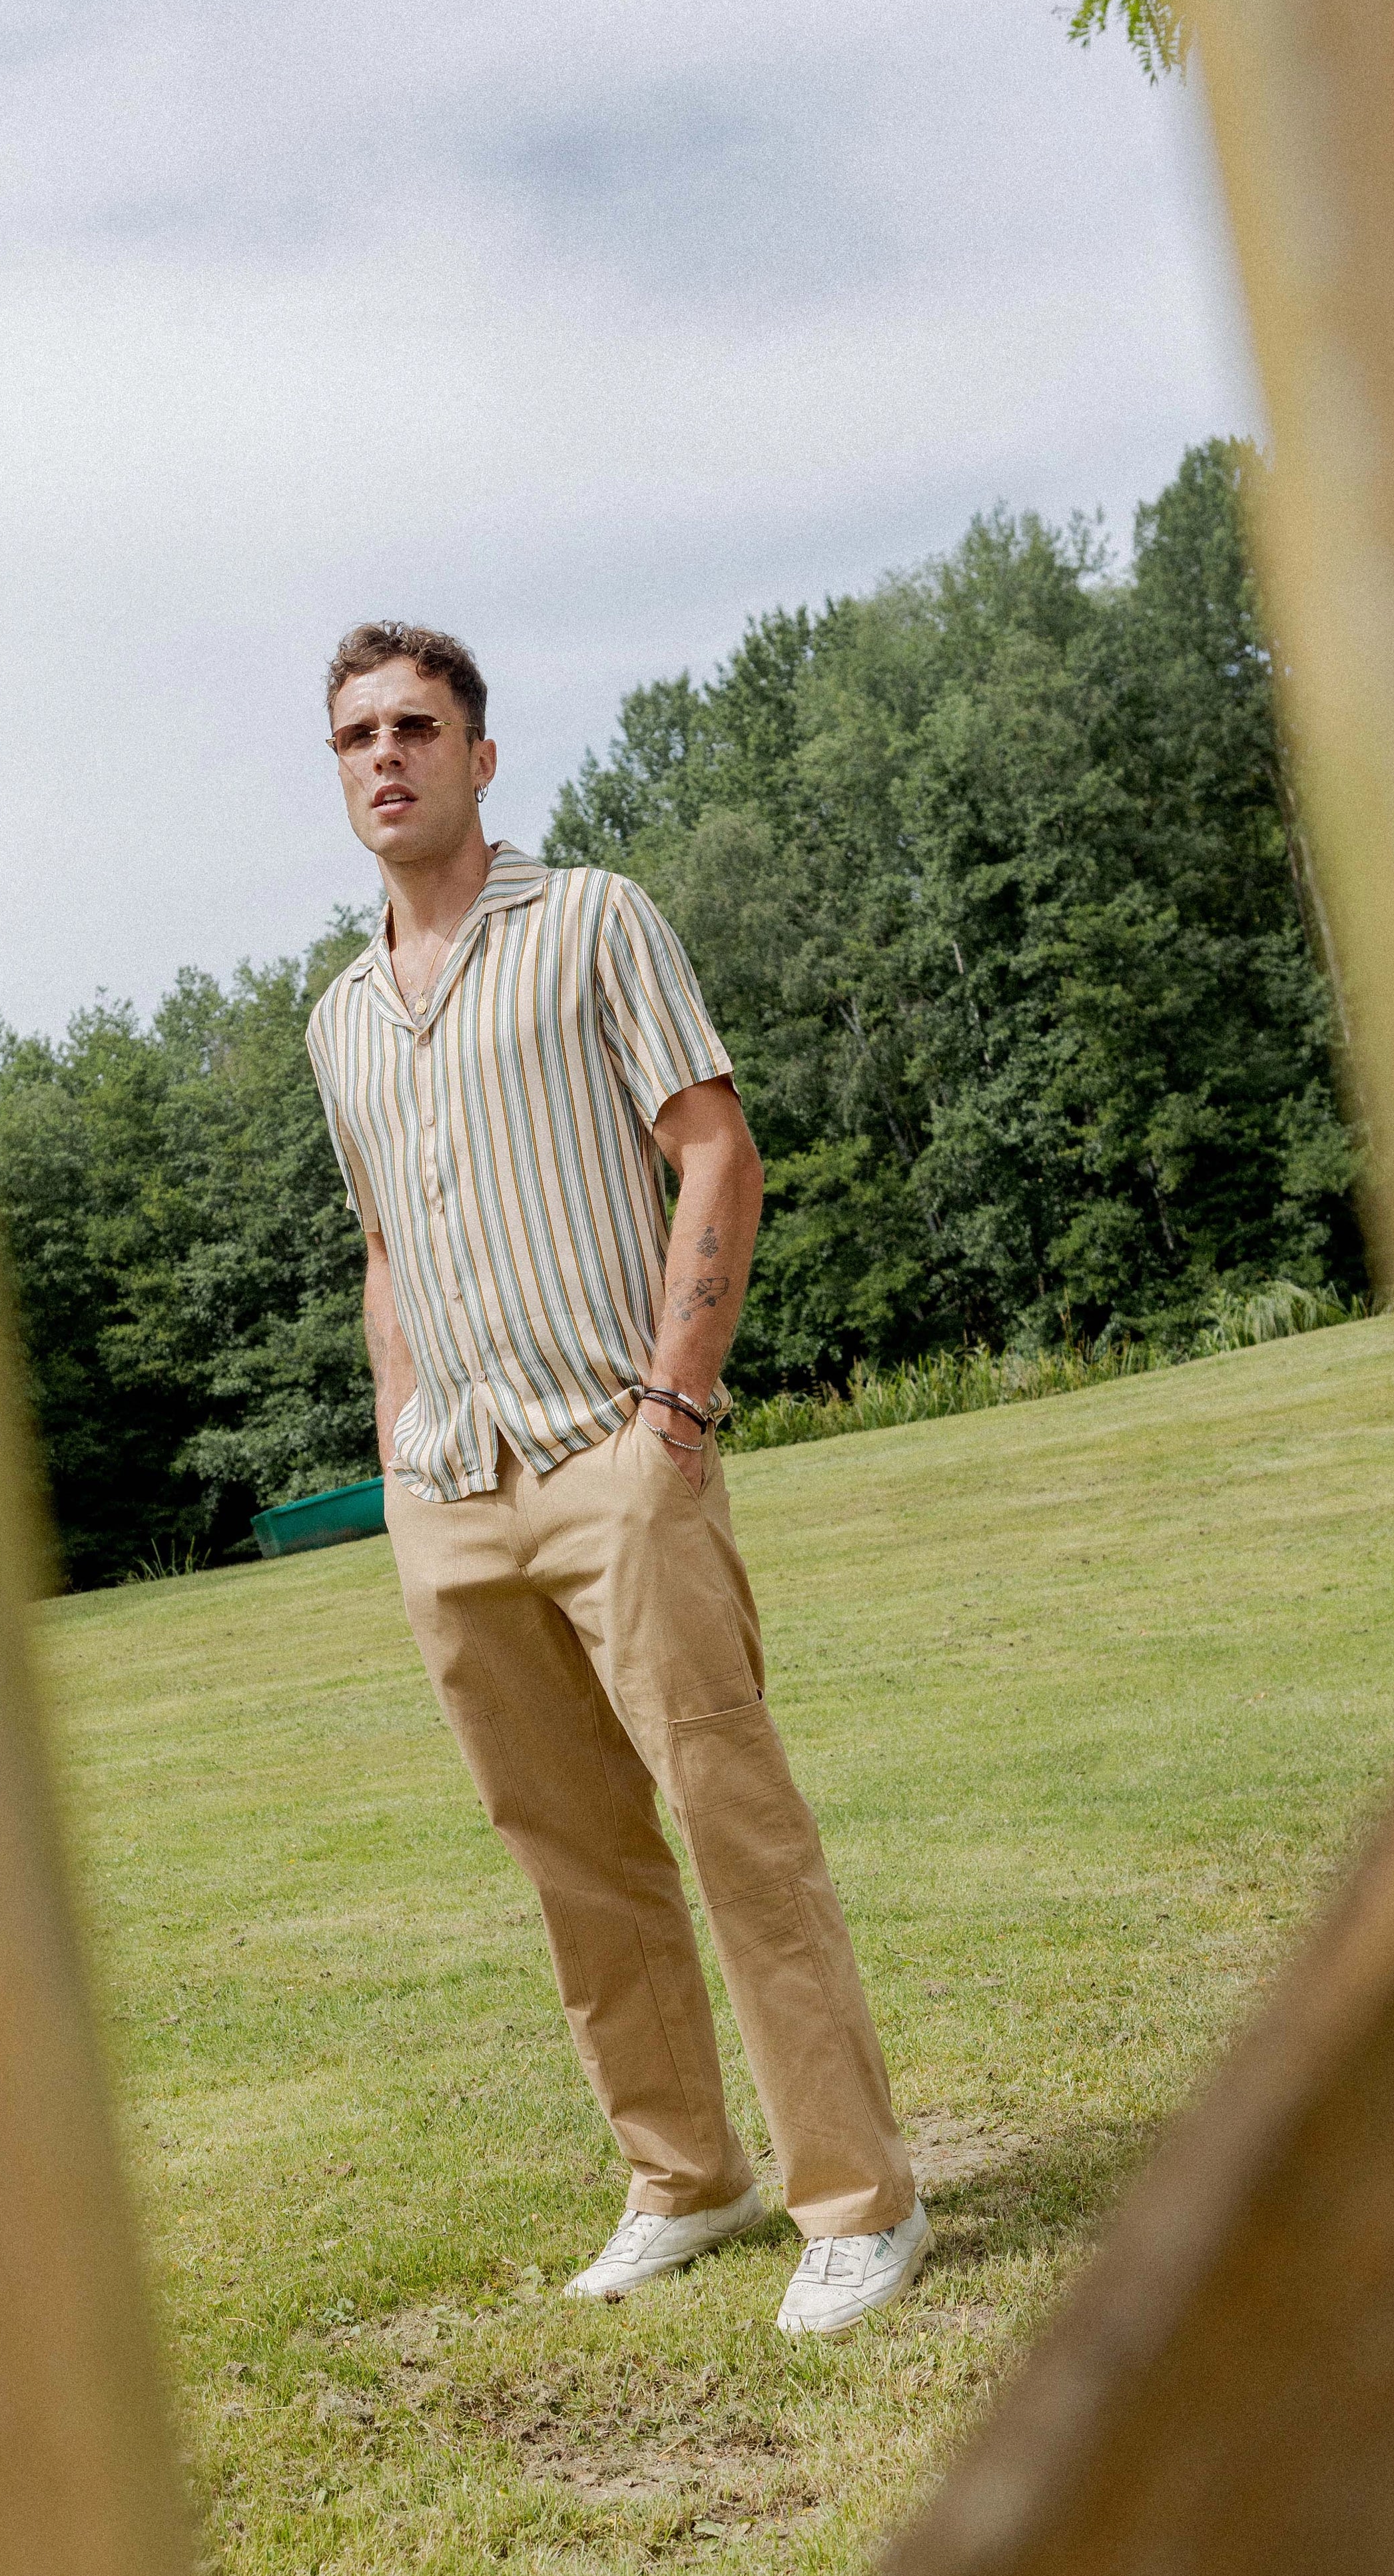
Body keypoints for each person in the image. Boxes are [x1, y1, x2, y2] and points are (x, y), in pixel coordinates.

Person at [305, 620, 928, 2338]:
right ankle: (683, 2177)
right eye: (356, 735)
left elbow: (714, 1148)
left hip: (615, 1451)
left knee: (737, 1830)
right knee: (573, 1860)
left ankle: (861, 2203)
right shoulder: (341, 1015)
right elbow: (381, 1245)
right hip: (452, 1489)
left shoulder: (590, 919)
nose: (386, 758)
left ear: (480, 756)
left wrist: (679, 1406)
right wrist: (397, 1446)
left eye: (418, 727)